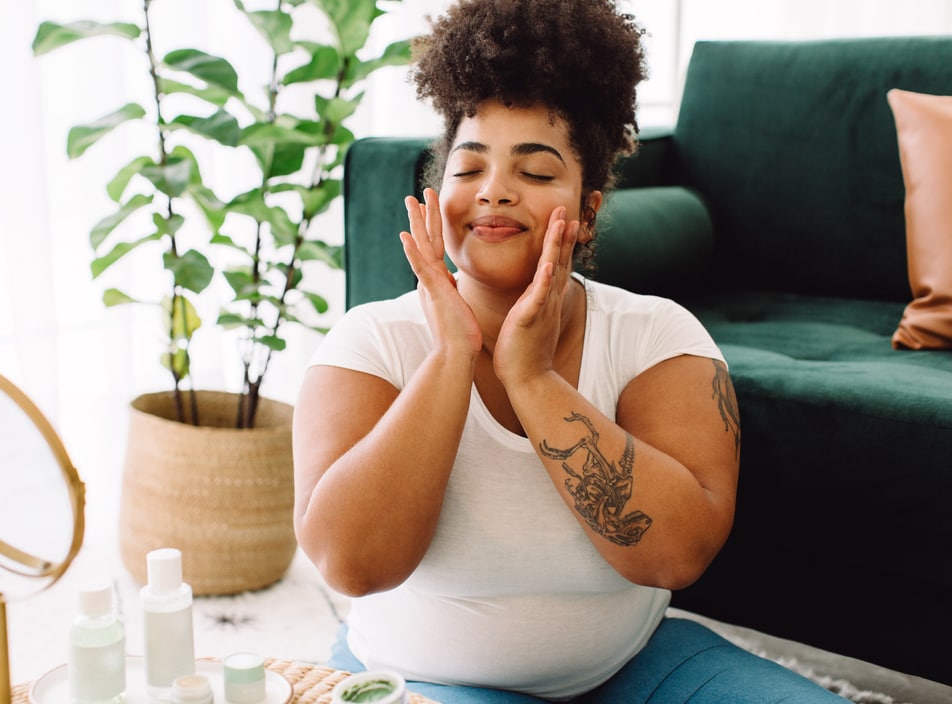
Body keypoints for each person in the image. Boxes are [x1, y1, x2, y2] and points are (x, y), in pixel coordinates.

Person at [291, 1, 845, 702]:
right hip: (425, 675)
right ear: (438, 198)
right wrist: (451, 358)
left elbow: (677, 555)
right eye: (469, 169)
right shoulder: (369, 341)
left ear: (586, 210)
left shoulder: (657, 336)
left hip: (634, 669)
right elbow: (352, 564)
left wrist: (532, 375)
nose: (494, 189)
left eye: (536, 170)